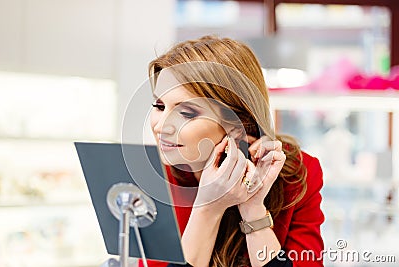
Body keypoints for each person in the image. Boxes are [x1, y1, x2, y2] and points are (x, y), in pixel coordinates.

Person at [139, 35, 324, 267]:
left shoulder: (296, 174)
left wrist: (253, 209)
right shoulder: (153, 176)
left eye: (186, 113)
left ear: (239, 123)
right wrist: (208, 207)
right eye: (159, 106)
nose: (161, 126)